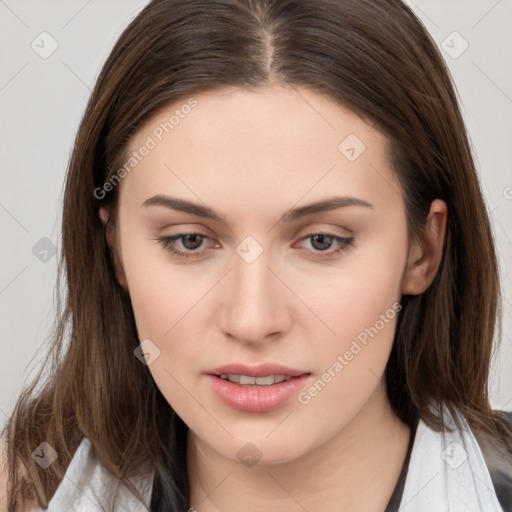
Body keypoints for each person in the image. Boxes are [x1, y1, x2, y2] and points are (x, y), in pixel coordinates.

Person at [1, 0, 511, 510]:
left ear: (423, 250)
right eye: (189, 240)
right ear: (116, 252)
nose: (251, 320)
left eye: (322, 241)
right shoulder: (25, 490)